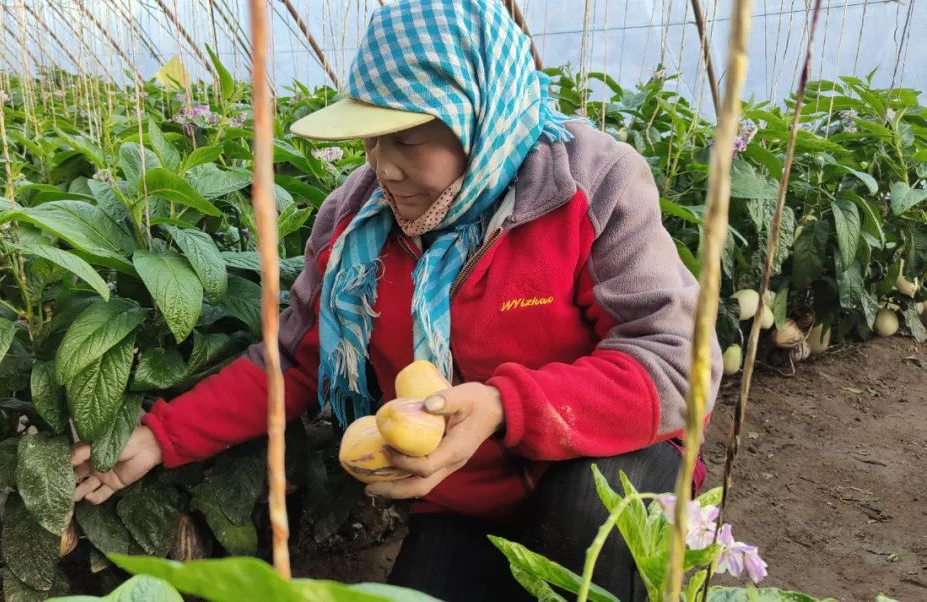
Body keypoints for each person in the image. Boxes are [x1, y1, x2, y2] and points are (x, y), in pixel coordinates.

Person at [72, 0, 721, 599]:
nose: (383, 167)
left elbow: (678, 363)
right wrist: (162, 437)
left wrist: (505, 406)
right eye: (371, 138)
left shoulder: (590, 184)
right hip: (465, 498)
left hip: (600, 462)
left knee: (594, 512)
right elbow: (296, 361)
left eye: (407, 138)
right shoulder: (354, 221)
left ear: (477, 113)